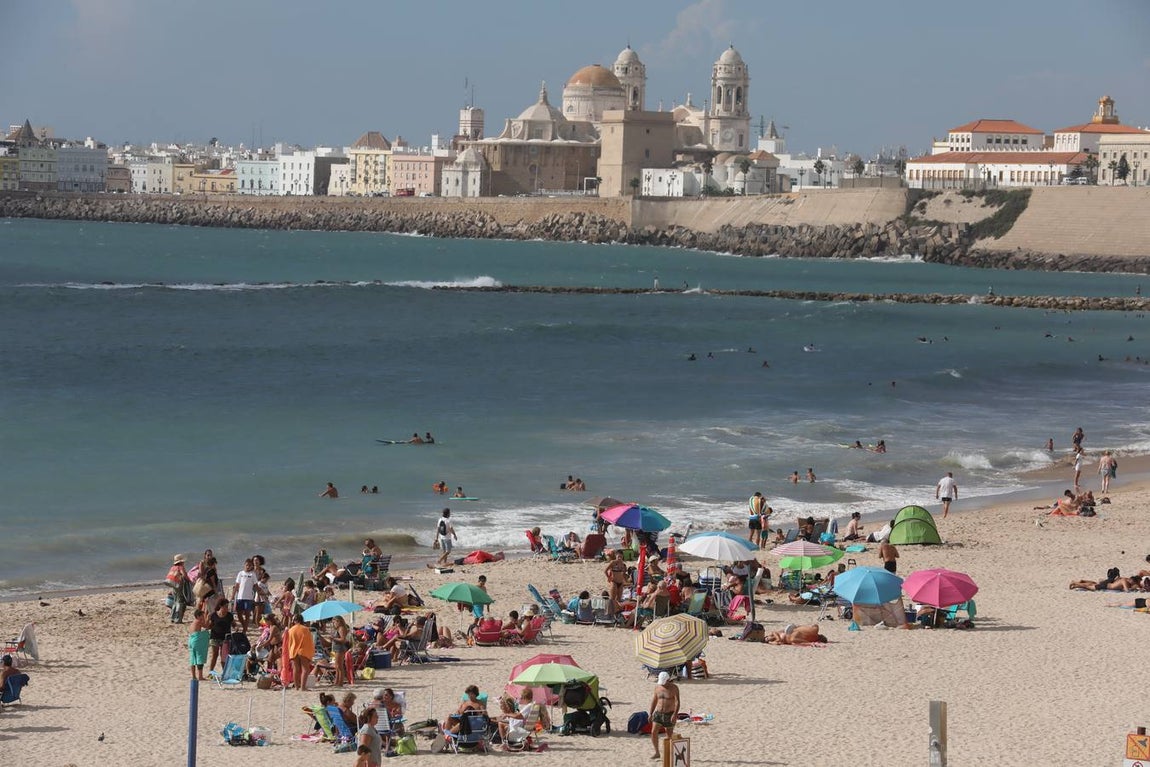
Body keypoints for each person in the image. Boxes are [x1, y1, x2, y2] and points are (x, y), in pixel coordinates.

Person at [649, 671, 680, 760]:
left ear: (668, 680)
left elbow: (677, 702)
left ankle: (670, 753)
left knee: (669, 735)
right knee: (653, 732)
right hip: (658, 713)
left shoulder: (674, 688)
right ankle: (657, 752)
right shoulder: (657, 688)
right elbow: (654, 700)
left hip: (669, 714)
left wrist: (675, 714)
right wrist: (650, 713)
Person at [287, 614, 316, 691]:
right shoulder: (305, 629)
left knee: (296, 669)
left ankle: (296, 687)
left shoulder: (291, 630)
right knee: (305, 669)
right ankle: (303, 687)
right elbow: (309, 642)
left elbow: (289, 642)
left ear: (294, 620)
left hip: (293, 650)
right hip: (303, 650)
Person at [232, 558, 258, 634]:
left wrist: (261, 593)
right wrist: (233, 595)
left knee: (247, 615)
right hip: (240, 597)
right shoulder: (240, 573)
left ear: (251, 566)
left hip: (249, 598)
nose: (248, 567)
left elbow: (256, 585)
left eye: (250, 565)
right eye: (247, 565)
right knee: (239, 614)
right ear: (244, 565)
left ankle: (244, 631)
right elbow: (236, 585)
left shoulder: (252, 574)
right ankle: (244, 626)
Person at [166, 554, 193, 624]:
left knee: (175, 601)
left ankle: (172, 617)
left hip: (173, 586)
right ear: (181, 562)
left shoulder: (173, 567)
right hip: (179, 586)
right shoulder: (180, 567)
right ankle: (178, 619)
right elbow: (184, 575)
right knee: (180, 602)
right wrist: (190, 581)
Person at [187, 609, 210, 680]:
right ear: (198, 616)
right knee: (200, 657)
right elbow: (206, 626)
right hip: (196, 641)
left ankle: (194, 676)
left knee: (193, 658)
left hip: (191, 641)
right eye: (202, 616)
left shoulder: (193, 623)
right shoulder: (198, 621)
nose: (203, 617)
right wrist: (208, 618)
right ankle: (200, 676)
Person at [330, 615, 351, 687]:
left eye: (334, 622)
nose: (333, 624)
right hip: (337, 648)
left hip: (340, 648)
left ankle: (340, 683)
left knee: (339, 666)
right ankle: (337, 682)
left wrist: (333, 639)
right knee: (337, 666)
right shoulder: (339, 628)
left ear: (338, 621)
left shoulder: (341, 628)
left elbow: (343, 639)